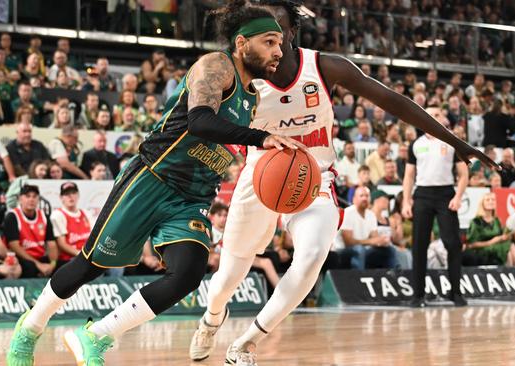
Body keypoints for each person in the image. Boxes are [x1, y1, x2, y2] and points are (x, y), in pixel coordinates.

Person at [191, 1, 496, 361]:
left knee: (311, 255)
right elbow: (202, 118)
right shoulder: (241, 73)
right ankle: (211, 319)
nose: (267, 37)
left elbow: (391, 99)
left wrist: (454, 142)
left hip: (313, 178)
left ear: (290, 32)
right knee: (228, 275)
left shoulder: (323, 67)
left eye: (275, 28)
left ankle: (246, 342)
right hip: (260, 175)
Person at [6, 4, 297, 365]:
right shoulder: (215, 66)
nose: (278, 51)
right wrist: (260, 138)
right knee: (90, 265)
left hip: (191, 197)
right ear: (241, 43)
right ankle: (29, 329)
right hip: (152, 177)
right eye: (270, 41)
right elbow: (200, 122)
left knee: (188, 273)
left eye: (280, 44)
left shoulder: (253, 98)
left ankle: (96, 335)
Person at [402, 105, 469, 308]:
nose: (434, 117)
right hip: (422, 194)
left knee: (453, 243)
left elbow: (463, 173)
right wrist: (406, 200)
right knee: (419, 246)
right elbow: (409, 175)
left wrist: (458, 196)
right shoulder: (416, 143)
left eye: (438, 114)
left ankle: (455, 292)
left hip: (445, 195)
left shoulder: (451, 142)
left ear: (444, 118)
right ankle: (418, 295)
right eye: (430, 115)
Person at [3, 185, 58, 278]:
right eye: (27, 196)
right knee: (30, 267)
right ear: (20, 199)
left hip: (40, 256)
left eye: (34, 196)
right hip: (20, 257)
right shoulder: (12, 216)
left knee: (61, 267)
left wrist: (53, 264)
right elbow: (14, 246)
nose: (31, 199)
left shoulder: (44, 216)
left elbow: (51, 244)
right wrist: (37, 264)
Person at [464, 192, 515, 266]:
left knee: (510, 247)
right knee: (508, 249)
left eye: (493, 200)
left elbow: (501, 237)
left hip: (497, 247)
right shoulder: (476, 221)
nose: (491, 202)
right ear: (482, 203)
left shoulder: (497, 220)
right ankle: (514, 269)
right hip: (482, 249)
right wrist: (491, 242)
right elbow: (471, 244)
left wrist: (506, 236)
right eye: (488, 200)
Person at [50, 182, 91, 267]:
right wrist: (81, 255)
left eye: (73, 193)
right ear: (61, 198)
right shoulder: (57, 215)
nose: (70, 196)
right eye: (66, 194)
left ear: (78, 195)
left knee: (115, 266)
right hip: (70, 258)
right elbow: (62, 244)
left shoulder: (87, 213)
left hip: (88, 255)